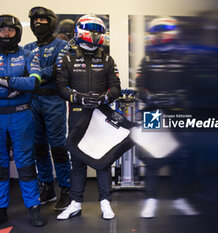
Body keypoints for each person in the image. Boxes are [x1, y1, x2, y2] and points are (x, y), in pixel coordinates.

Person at [56, 14, 121, 220]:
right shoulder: (67, 58)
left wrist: (104, 98)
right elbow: (60, 87)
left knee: (103, 160)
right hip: (77, 115)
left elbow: (117, 87)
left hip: (101, 117)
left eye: (97, 29)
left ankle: (105, 202)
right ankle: (75, 203)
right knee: (77, 162)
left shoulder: (108, 59)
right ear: (80, 31)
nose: (94, 33)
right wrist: (78, 98)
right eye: (90, 29)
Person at [136, 16, 199, 218]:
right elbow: (139, 87)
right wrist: (150, 97)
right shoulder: (147, 60)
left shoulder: (184, 60)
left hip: (178, 112)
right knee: (152, 157)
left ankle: (180, 199)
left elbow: (192, 87)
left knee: (179, 157)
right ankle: (150, 200)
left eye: (160, 33)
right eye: (155, 33)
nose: (157, 37)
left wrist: (178, 97)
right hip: (153, 113)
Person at [0, 14, 46, 227]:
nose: (6, 34)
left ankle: (34, 208)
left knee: (26, 164)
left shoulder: (29, 55)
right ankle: (1, 209)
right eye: (2, 30)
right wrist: (17, 86)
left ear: (17, 32)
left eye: (10, 30)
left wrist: (7, 82)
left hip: (22, 115)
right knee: (0, 166)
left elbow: (34, 82)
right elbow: (24, 84)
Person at [24, 6, 71, 211]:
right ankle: (47, 187)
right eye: (36, 20)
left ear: (51, 23)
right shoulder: (26, 48)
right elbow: (25, 73)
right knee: (39, 148)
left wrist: (34, 75)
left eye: (43, 20)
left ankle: (66, 190)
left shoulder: (63, 45)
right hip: (32, 102)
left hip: (54, 101)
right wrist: (34, 75)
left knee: (58, 147)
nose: (39, 23)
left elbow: (57, 70)